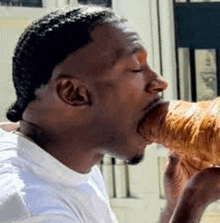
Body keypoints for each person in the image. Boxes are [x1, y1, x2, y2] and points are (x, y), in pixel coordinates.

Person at [1, 5, 220, 222]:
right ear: (73, 93)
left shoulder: (65, 160)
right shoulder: (32, 211)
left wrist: (176, 205)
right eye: (136, 68)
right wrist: (194, 199)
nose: (161, 83)